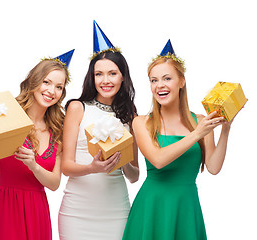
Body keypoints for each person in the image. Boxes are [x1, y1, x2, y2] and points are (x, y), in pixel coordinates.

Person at [122, 40, 238, 240]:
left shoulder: (200, 121)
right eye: (154, 80)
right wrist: (196, 134)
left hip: (186, 207)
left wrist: (226, 129)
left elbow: (213, 167)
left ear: (181, 81)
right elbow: (157, 160)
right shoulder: (141, 123)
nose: (160, 85)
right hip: (152, 208)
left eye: (167, 78)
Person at [0, 49, 74, 240]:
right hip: (6, 210)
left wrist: (34, 165)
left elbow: (54, 183)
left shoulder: (57, 131)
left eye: (59, 87)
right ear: (34, 81)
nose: (52, 91)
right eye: (46, 82)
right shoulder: (8, 118)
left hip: (37, 213)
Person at [58, 21, 139, 240]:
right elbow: (66, 167)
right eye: (98, 74)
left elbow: (135, 175)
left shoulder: (130, 115)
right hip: (77, 211)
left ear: (123, 76)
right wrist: (93, 168)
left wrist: (123, 162)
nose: (105, 80)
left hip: (116, 210)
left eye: (112, 73)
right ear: (92, 78)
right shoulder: (77, 108)